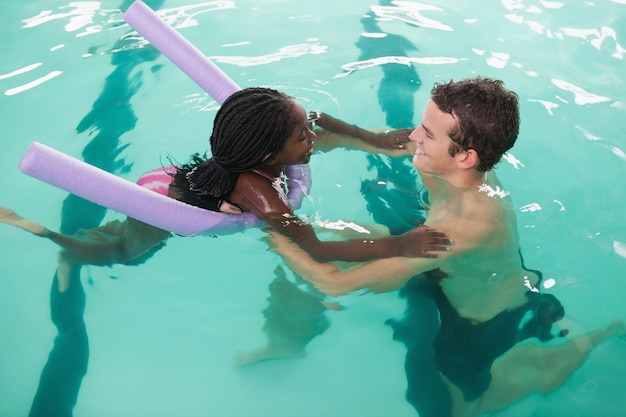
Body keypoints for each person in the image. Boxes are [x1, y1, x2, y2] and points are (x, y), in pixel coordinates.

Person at [267, 77, 626, 416]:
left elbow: (337, 284)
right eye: (422, 124)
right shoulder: (442, 157)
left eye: (427, 132)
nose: (413, 135)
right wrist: (304, 142)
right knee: (340, 245)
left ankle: (596, 338)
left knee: (459, 407)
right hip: (444, 272)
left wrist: (271, 229)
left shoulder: (466, 224)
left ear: (464, 157)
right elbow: (382, 141)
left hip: (480, 318)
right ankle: (284, 340)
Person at [1, 87, 452, 272]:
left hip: (179, 178)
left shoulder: (273, 129)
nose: (313, 137)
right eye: (303, 137)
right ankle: (42, 233)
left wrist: (369, 138)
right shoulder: (261, 194)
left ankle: (92, 234)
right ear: (269, 155)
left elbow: (319, 116)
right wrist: (399, 244)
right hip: (161, 204)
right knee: (123, 251)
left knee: (121, 236)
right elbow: (315, 247)